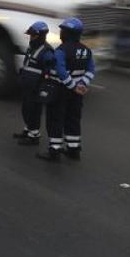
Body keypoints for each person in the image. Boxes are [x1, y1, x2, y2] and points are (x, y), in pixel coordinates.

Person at [37, 17, 95, 161]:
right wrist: (81, 85)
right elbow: (91, 70)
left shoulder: (61, 51)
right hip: (77, 94)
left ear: (67, 33)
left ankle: (54, 151)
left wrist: (73, 86)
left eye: (62, 30)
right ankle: (73, 149)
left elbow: (61, 72)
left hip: (60, 91)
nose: (61, 33)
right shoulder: (86, 51)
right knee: (73, 119)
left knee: (55, 119)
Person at [13, 21, 54, 145]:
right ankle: (28, 129)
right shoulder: (32, 47)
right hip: (28, 86)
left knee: (33, 111)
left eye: (33, 35)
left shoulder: (47, 52)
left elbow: (49, 72)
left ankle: (34, 136)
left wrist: (44, 88)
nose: (31, 37)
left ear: (40, 36)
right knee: (26, 109)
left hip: (37, 88)